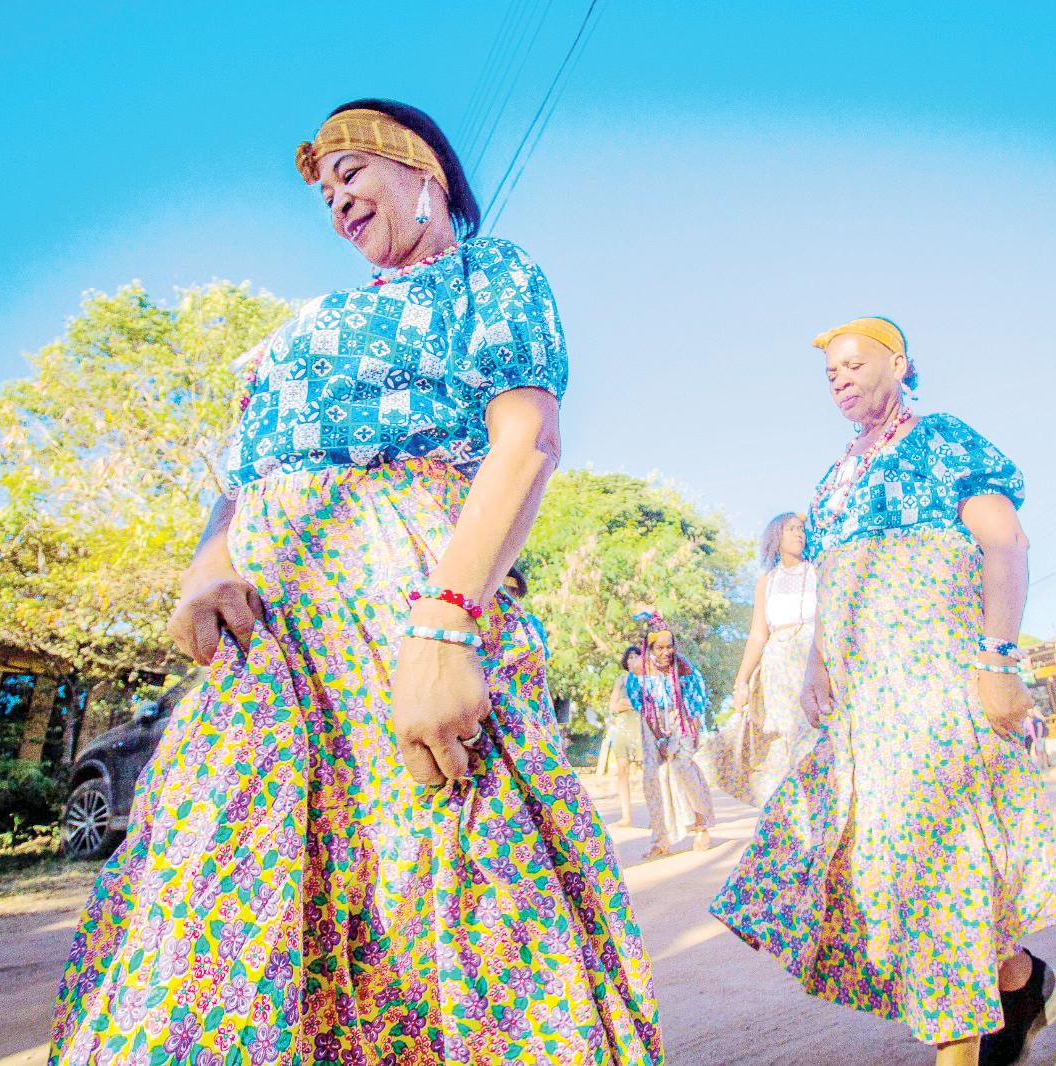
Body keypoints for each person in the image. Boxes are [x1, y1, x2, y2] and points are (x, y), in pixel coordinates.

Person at [49, 100, 661, 1064]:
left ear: (424, 173)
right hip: (272, 649)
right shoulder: (305, 324)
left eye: (351, 172)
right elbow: (242, 480)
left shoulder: (487, 274)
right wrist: (207, 572)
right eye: (323, 187)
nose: (334, 198)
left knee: (439, 891)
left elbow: (528, 439)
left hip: (406, 606)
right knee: (220, 894)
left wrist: (446, 623)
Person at [710, 317, 1056, 1066]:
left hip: (937, 685)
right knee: (877, 866)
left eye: (853, 363)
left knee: (933, 867)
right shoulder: (834, 479)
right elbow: (833, 581)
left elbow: (1007, 544)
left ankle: (963, 1043)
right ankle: (1020, 982)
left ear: (898, 363)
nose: (838, 376)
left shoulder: (939, 440)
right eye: (829, 371)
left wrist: (998, 660)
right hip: (864, 704)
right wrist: (815, 670)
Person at [698, 512, 820, 807]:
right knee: (782, 742)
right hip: (777, 666)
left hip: (810, 660)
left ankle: (816, 808)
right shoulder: (767, 582)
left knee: (811, 736)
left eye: (801, 529)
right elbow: (757, 634)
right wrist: (741, 680)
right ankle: (788, 814)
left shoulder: (818, 570)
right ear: (775, 538)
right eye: (790, 529)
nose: (798, 534)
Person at [627, 612, 717, 858]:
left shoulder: (683, 666)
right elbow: (640, 705)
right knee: (653, 779)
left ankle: (701, 825)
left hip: (682, 720)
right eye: (660, 648)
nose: (666, 652)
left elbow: (696, 696)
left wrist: (694, 725)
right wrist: (657, 737)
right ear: (650, 648)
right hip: (651, 725)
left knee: (684, 769)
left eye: (670, 647)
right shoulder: (639, 670)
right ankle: (660, 840)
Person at [601, 644, 644, 827]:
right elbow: (613, 706)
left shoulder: (646, 680)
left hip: (641, 728)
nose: (633, 659)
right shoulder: (621, 680)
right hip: (622, 729)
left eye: (636, 656)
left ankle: (658, 815)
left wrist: (626, 703)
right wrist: (632, 703)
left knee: (650, 772)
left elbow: (646, 704)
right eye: (630, 657)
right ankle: (626, 817)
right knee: (622, 772)